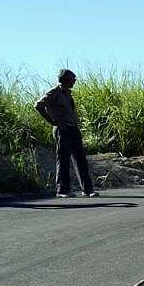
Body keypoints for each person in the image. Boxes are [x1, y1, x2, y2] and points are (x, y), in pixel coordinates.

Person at [34, 69, 99, 198]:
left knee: (80, 160)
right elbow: (38, 105)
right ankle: (62, 190)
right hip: (62, 130)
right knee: (63, 160)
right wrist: (52, 121)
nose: (75, 81)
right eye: (72, 78)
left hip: (73, 129)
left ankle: (87, 190)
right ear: (65, 79)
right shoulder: (55, 92)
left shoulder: (67, 93)